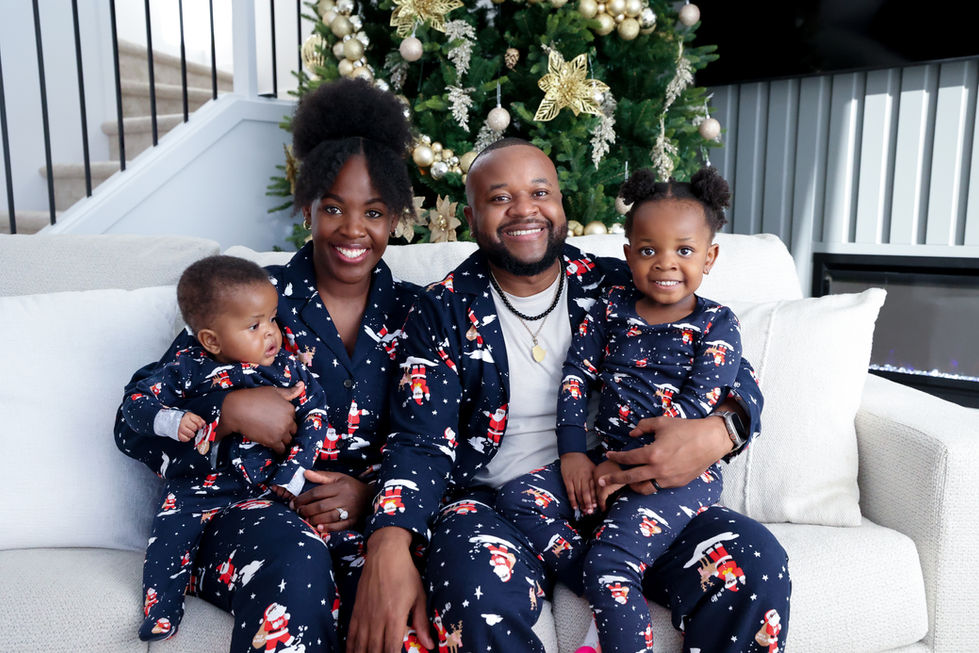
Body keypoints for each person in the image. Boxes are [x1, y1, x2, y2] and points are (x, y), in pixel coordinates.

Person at [350, 138, 790, 653]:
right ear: (471, 219)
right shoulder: (442, 310)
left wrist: (718, 432)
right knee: (476, 598)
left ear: (562, 206)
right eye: (499, 198)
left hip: (620, 486)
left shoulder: (617, 286)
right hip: (492, 504)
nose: (524, 210)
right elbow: (419, 438)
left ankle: (615, 571)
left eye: (540, 191)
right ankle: (612, 576)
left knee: (755, 559)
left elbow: (730, 363)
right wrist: (389, 537)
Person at [114, 77, 420, 652]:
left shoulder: (416, 315)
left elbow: (438, 441)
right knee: (298, 563)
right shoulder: (251, 297)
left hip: (359, 527)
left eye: (374, 212)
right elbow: (132, 423)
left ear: (395, 218)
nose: (353, 229)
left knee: (400, 608)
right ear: (307, 207)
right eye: (333, 207)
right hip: (243, 521)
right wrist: (224, 409)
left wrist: (370, 498)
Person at [495, 166, 745, 652]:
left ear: (710, 257)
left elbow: (697, 408)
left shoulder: (716, 324)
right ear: (629, 255)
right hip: (603, 463)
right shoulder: (611, 307)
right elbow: (575, 377)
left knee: (609, 565)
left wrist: (626, 471)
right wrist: (574, 454)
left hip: (676, 474)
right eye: (648, 250)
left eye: (685, 250)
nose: (665, 263)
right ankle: (616, 574)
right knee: (517, 500)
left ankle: (614, 579)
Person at [123, 255, 329, 641]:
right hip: (199, 488)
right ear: (211, 339)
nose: (271, 333)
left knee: (325, 525)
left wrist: (294, 473)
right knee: (170, 529)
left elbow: (316, 416)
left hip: (270, 490)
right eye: (255, 326)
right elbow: (135, 406)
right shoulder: (188, 367)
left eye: (271, 319)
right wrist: (174, 420)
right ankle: (161, 607)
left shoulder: (286, 368)